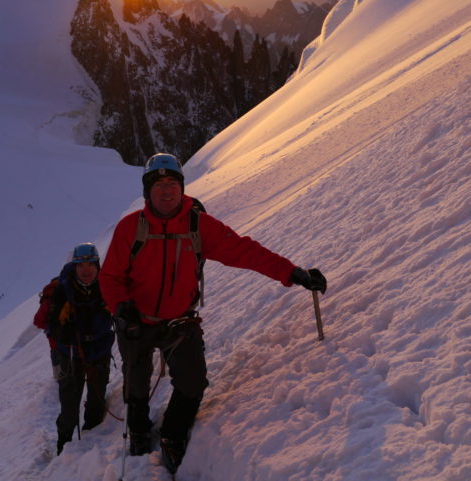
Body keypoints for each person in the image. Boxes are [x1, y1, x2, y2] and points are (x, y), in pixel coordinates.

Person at [99, 153, 327, 473]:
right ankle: (137, 429)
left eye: (173, 183)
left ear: (182, 187)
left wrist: (293, 273)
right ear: (147, 191)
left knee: (193, 383)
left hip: (179, 319)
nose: (167, 191)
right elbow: (109, 277)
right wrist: (120, 308)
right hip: (136, 319)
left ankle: (172, 435)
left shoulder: (198, 226)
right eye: (159, 184)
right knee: (135, 381)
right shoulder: (130, 229)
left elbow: (245, 251)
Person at [47, 243, 116, 455]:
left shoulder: (108, 286)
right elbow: (50, 325)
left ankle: (89, 444)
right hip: (70, 356)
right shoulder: (62, 291)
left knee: (96, 403)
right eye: (80, 266)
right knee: (69, 411)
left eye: (90, 265)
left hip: (99, 352)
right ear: (74, 268)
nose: (86, 270)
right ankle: (64, 448)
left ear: (97, 266)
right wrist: (62, 331)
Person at [33, 276, 61, 380]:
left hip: (55, 342)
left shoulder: (48, 297)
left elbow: (37, 321)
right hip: (74, 339)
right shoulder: (70, 290)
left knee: (59, 370)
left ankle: (58, 382)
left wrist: (50, 326)